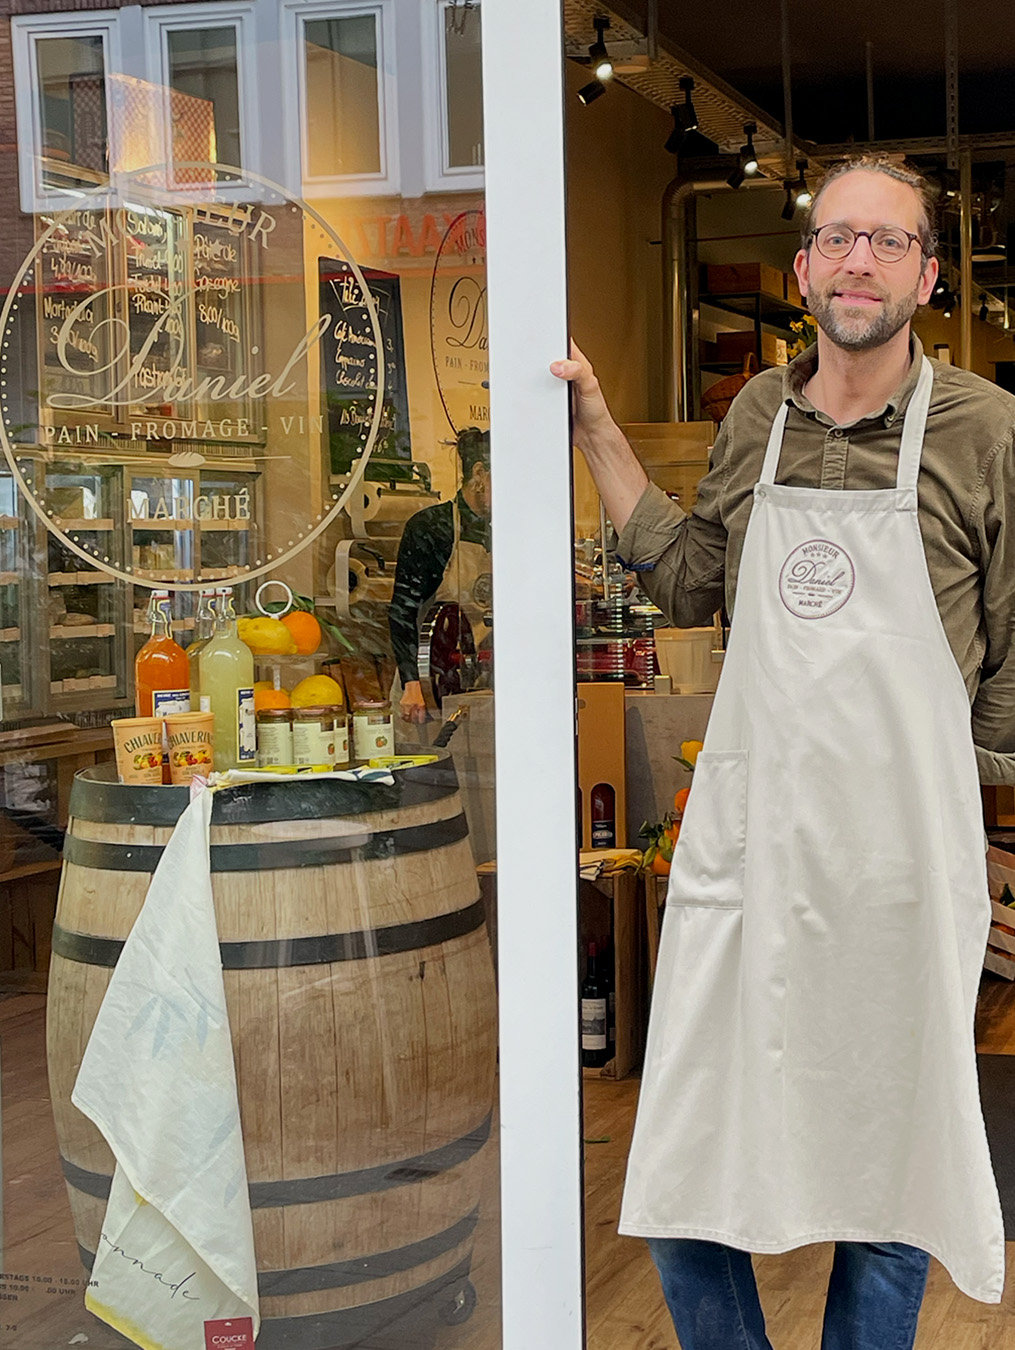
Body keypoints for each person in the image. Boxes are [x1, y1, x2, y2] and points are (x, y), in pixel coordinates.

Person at [552, 154, 1015, 1350]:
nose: (861, 260)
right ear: (804, 267)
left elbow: (1013, 654)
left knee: (892, 1159)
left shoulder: (985, 428)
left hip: (901, 867)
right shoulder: (756, 414)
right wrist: (595, 430)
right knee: (685, 1144)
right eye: (839, 238)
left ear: (925, 276)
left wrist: (964, 813)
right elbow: (690, 579)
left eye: (890, 241)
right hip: (750, 858)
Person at [389, 426, 492, 723]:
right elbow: (403, 610)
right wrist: (412, 683)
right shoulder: (432, 527)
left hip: (483, 685)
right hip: (429, 687)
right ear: (479, 474)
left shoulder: (504, 531)